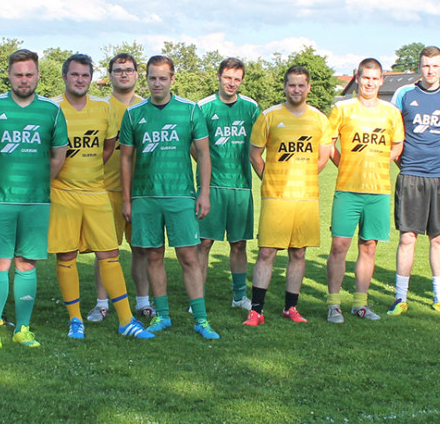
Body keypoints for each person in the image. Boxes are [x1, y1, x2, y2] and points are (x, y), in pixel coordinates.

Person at [0, 49, 68, 355]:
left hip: (36, 202)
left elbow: (58, 156)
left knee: (27, 264)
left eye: (29, 74)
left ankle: (23, 329)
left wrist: (37, 183)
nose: (23, 80)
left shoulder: (51, 111)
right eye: (18, 74)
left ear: (38, 75)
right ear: (8, 76)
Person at [50, 54, 153, 339]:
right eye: (75, 75)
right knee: (66, 255)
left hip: (96, 191)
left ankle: (126, 320)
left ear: (91, 78)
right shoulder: (51, 108)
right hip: (62, 193)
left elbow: (108, 146)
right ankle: (75, 319)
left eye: (85, 75)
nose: (80, 80)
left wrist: (91, 165)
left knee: (109, 254)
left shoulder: (102, 108)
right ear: (65, 77)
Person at [120, 55, 219, 339]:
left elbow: (202, 153)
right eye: (152, 78)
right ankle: (162, 315)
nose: (157, 83)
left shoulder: (189, 111)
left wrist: (205, 193)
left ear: (172, 79)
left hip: (181, 196)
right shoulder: (134, 114)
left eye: (163, 78)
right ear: (145, 79)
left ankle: (201, 319)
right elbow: (125, 160)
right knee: (153, 255)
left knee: (188, 256)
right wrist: (127, 200)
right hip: (145, 197)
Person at [244, 65, 332, 326]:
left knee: (298, 252)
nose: (296, 89)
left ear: (309, 88)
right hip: (276, 197)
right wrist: (269, 179)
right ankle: (256, 310)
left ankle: (290, 307)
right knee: (267, 252)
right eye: (291, 85)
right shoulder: (269, 116)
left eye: (301, 85)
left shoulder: (319, 119)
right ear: (285, 87)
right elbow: (254, 154)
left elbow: (324, 155)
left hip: (306, 197)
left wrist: (302, 175)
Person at [325, 58, 404, 323]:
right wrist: (343, 164)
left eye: (375, 78)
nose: (370, 83)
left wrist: (384, 161)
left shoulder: (391, 112)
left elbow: (398, 144)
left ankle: (360, 304)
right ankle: (333, 304)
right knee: (339, 245)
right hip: (348, 189)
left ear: (381, 81)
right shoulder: (342, 109)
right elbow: (328, 144)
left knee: (369, 246)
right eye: (365, 78)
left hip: (378, 190)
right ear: (357, 78)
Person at [388, 46, 440, 316]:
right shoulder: (404, 94)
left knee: (439, 239)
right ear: (419, 68)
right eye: (425, 65)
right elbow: (392, 132)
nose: (430, 70)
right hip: (411, 176)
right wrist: (405, 163)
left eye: (435, 66)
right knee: (408, 237)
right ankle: (400, 298)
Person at [87, 52, 154, 322]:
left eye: (128, 69)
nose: (124, 74)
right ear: (110, 75)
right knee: (106, 250)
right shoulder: (100, 107)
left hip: (141, 191)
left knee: (141, 249)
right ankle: (102, 303)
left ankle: (143, 302)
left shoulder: (148, 106)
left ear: (137, 74)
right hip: (106, 189)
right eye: (118, 70)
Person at [196, 57, 260, 311]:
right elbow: (195, 146)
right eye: (227, 78)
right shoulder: (203, 107)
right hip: (211, 187)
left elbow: (260, 143)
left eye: (237, 79)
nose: (232, 83)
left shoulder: (251, 108)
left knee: (239, 243)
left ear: (241, 81)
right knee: (204, 242)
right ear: (219, 77)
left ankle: (239, 297)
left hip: (241, 186)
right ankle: (197, 298)